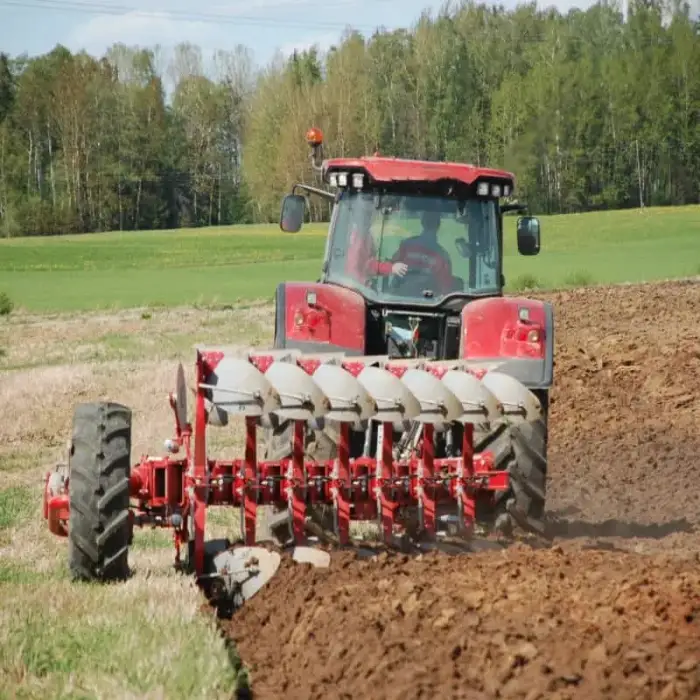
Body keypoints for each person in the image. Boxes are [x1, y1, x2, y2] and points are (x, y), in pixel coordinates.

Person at [391, 209, 454, 294]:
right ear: (438, 225)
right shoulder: (443, 256)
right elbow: (445, 291)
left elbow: (391, 267)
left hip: (401, 300)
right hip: (426, 302)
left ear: (422, 222)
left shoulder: (406, 245)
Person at [345, 202, 408, 286]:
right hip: (358, 287)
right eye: (368, 214)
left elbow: (369, 262)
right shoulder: (359, 238)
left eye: (371, 214)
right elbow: (363, 266)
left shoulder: (362, 234)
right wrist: (391, 268)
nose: (371, 217)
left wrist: (391, 264)